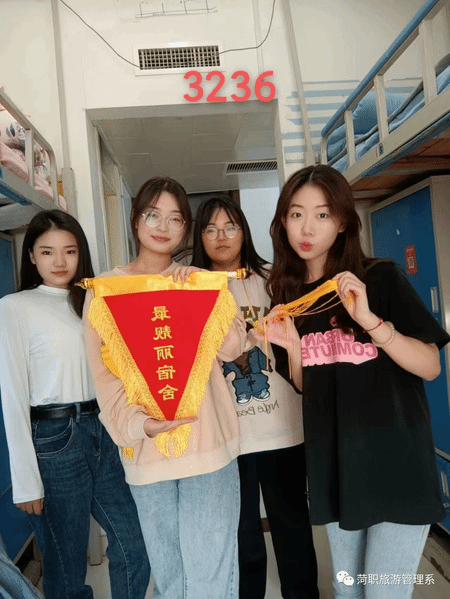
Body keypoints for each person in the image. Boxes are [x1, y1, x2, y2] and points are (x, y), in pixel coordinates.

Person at [262, 164, 450, 599]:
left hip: (397, 465)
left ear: (343, 222)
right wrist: (292, 348)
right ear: (283, 221)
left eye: (322, 215)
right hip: (336, 468)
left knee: (383, 592)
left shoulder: (379, 278)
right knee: (348, 590)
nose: (307, 228)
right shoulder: (288, 297)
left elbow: (430, 366)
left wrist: (369, 320)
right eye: (296, 214)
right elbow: (309, 388)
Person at [83, 177, 247, 599]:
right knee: (171, 582)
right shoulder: (106, 291)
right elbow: (105, 378)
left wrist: (203, 292)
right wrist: (140, 424)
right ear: (136, 220)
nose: (163, 226)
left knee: (211, 580)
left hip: (209, 447)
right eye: (153, 215)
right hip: (147, 453)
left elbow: (232, 349)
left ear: (185, 229)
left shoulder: (198, 280)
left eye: (175, 218)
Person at [0, 209, 150, 599]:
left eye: (69, 251)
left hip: (103, 430)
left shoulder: (95, 301)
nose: (60, 261)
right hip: (54, 439)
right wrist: (26, 483)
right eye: (47, 252)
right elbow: (12, 396)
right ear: (31, 256)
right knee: (66, 569)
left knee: (134, 546)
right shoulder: (15, 307)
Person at [191, 195, 319, 599]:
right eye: (210, 229)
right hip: (228, 433)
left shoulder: (273, 279)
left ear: (244, 231)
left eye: (230, 226)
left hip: (283, 425)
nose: (221, 236)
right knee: (242, 532)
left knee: (292, 525)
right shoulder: (191, 287)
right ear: (199, 237)